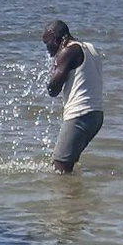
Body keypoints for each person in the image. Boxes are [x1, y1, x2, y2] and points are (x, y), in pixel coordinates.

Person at [42, 19, 104, 174]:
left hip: (79, 116)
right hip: (96, 116)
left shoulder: (68, 51)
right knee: (67, 166)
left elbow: (53, 89)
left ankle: (67, 197)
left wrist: (55, 65)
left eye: (47, 44)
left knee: (59, 168)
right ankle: (78, 196)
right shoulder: (89, 47)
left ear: (56, 39)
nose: (47, 50)